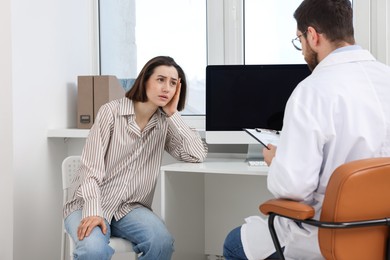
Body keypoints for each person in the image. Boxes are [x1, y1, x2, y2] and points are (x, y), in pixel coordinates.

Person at [223, 0, 390, 259]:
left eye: (299, 40)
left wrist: (275, 160)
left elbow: (294, 187)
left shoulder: (312, 91)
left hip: (325, 236)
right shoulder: (386, 78)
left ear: (312, 36)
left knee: (233, 244)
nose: (301, 50)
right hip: (381, 236)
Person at [63, 56, 208, 260]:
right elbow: (90, 170)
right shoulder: (110, 112)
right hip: (88, 203)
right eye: (160, 80)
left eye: (173, 83)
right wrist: (94, 212)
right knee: (93, 250)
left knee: (161, 243)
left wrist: (173, 114)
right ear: (145, 80)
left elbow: (197, 154)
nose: (167, 88)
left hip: (130, 208)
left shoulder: (164, 123)